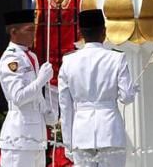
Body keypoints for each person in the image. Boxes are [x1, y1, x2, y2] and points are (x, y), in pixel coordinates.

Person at [59, 9, 137, 166]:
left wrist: (68, 142)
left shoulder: (69, 61)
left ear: (81, 33)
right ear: (104, 31)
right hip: (110, 130)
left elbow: (65, 106)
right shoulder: (117, 58)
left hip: (82, 132)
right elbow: (127, 97)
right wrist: (133, 88)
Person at [0, 9, 57, 167]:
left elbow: (35, 96)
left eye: (34, 29)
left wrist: (45, 111)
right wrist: (41, 80)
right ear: (14, 32)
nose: (33, 34)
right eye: (29, 30)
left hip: (36, 137)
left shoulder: (31, 56)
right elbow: (18, 97)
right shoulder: (11, 58)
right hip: (19, 136)